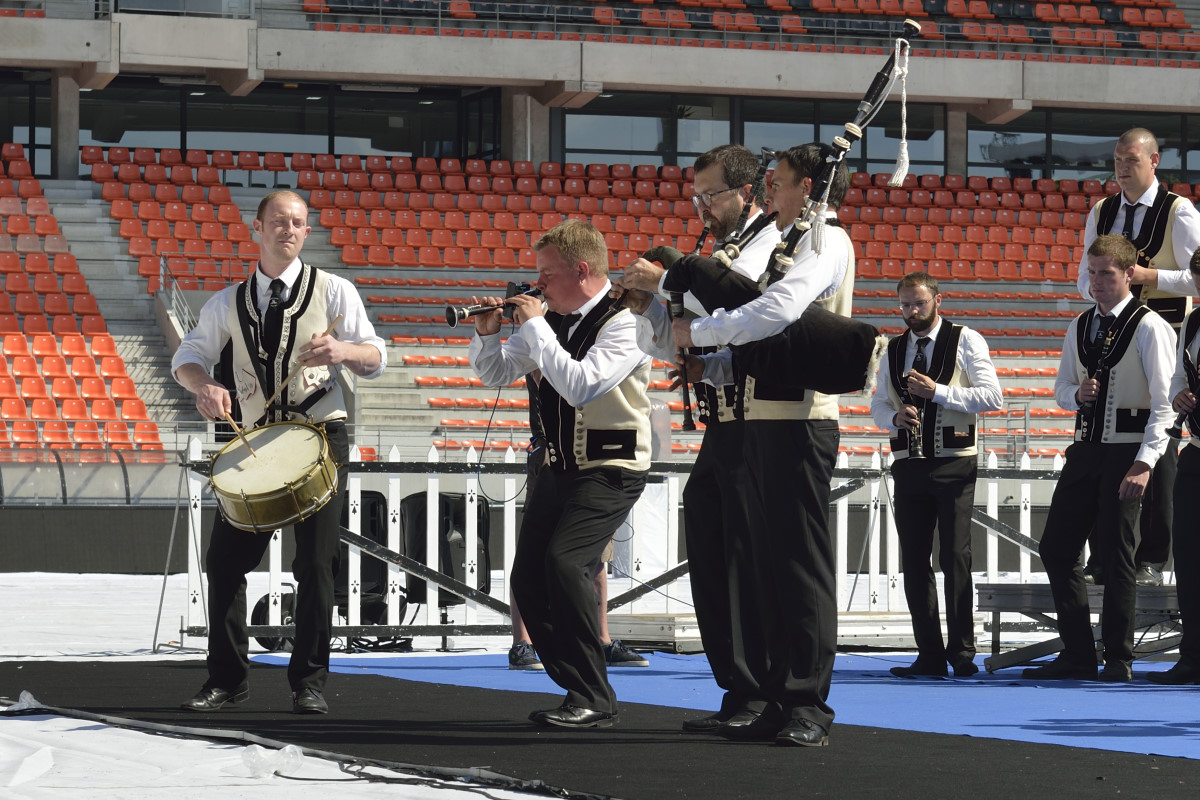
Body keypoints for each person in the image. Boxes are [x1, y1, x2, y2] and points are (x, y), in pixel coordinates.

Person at [638, 143, 853, 747]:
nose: (769, 191)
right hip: (757, 415)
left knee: (799, 567)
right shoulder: (788, 242)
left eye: (778, 182)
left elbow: (779, 311)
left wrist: (697, 321)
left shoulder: (824, 241)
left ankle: (807, 703)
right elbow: (758, 340)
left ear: (806, 188)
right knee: (761, 567)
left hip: (798, 417)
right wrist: (711, 361)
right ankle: (774, 694)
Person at [173, 190, 387, 714]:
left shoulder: (336, 291)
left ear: (305, 232)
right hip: (256, 443)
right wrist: (203, 385)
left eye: (297, 223)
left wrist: (343, 351)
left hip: (319, 439)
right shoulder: (225, 301)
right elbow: (188, 355)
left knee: (315, 564)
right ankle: (226, 679)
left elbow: (377, 355)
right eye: (278, 221)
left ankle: (309, 682)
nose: (287, 230)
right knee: (224, 562)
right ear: (257, 228)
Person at [618, 144, 782, 732]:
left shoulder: (770, 244)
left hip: (764, 423)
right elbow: (684, 342)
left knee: (744, 555)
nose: (701, 206)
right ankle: (738, 685)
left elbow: (751, 314)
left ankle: (762, 688)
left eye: (709, 194)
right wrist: (648, 310)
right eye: (697, 195)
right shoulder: (720, 251)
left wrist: (669, 284)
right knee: (713, 549)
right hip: (726, 420)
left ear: (745, 192)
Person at [469, 219, 652, 728]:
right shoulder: (550, 324)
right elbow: (498, 373)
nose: (538, 285)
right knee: (529, 579)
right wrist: (488, 337)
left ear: (582, 269)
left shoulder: (628, 322)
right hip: (557, 467)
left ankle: (593, 693)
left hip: (609, 467)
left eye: (547, 274)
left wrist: (533, 326)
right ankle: (578, 686)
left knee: (567, 564)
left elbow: (582, 385)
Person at [1023, 234, 1174, 683]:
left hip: (1128, 451)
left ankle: (1119, 658)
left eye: (1106, 274)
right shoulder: (1080, 325)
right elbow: (1061, 390)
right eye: (1092, 273)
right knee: (1056, 548)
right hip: (1086, 450)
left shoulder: (1150, 327)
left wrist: (1145, 462)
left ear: (1129, 275)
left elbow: (1164, 404)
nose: (1097, 283)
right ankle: (1078, 652)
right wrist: (1077, 394)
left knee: (1116, 555)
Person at [1077, 128, 1200, 588]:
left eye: (1130, 159)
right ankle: (1104, 554)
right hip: (1110, 334)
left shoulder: (1180, 211)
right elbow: (1080, 279)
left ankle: (1152, 555)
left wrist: (1149, 275)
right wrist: (1105, 284)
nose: (1122, 167)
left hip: (1163, 333)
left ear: (1154, 160)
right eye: (1116, 160)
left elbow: (1197, 277)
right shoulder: (1101, 210)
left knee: (1161, 440)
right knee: (1104, 435)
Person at [870, 272, 1002, 679]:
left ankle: (962, 651)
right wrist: (894, 416)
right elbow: (876, 404)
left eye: (919, 303)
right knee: (914, 559)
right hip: (909, 463)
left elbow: (992, 397)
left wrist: (938, 392)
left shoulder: (967, 339)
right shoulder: (892, 349)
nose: (911, 311)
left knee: (955, 557)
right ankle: (928, 652)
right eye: (905, 305)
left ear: (938, 301)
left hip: (954, 461)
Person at [509, 383, 649, 671]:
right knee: (532, 556)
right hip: (554, 451)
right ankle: (522, 642)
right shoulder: (548, 344)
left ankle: (601, 639)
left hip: (594, 455)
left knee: (597, 554)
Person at [1149, 249, 1200, 685]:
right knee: (1188, 554)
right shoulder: (1194, 323)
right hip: (1197, 449)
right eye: (1199, 283)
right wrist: (1180, 396)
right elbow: (1178, 379)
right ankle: (1193, 655)